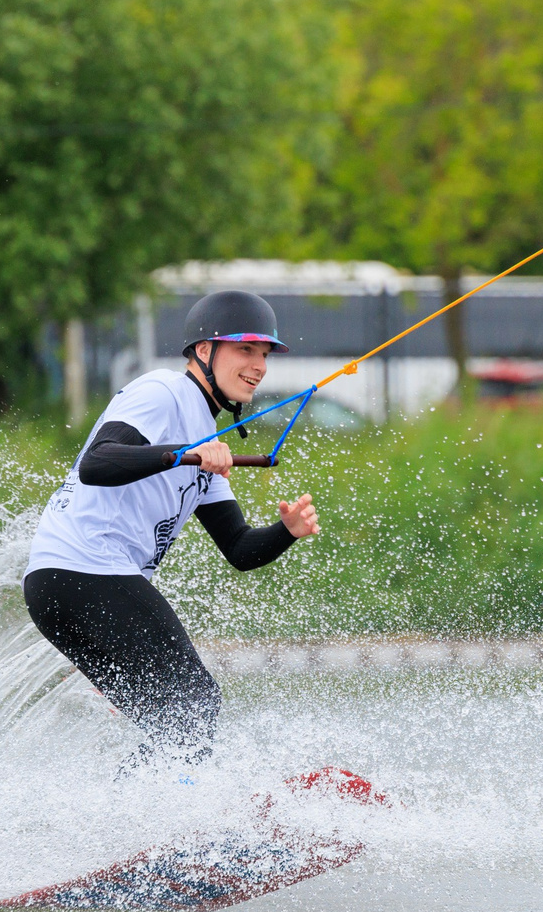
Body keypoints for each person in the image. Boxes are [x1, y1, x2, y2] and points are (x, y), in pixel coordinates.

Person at [22, 289, 321, 765]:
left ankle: (133, 821)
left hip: (60, 589)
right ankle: (167, 826)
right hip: (84, 572)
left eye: (264, 354)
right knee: (195, 704)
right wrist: (184, 453)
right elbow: (96, 463)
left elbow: (240, 549)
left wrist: (286, 530)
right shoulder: (163, 391)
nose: (259, 364)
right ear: (205, 351)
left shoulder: (207, 436)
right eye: (245, 349)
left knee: (176, 719)